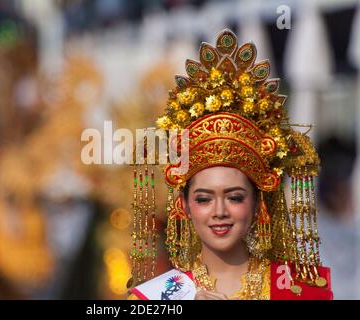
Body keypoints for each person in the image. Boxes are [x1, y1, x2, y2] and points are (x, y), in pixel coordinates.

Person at [127, 29, 333, 300]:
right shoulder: (154, 298)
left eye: (235, 197)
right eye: (204, 199)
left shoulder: (303, 291)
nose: (220, 211)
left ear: (259, 201)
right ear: (184, 205)